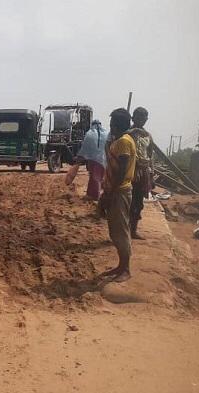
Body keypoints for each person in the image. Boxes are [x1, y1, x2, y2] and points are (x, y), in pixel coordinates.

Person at [99, 108, 136, 283]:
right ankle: (121, 266)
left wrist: (110, 192)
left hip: (119, 191)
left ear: (119, 124)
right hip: (115, 189)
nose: (110, 126)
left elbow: (121, 171)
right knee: (116, 230)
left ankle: (126, 269)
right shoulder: (121, 141)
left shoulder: (123, 142)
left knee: (121, 230)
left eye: (113, 123)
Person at [128, 107, 153, 239]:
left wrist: (151, 174)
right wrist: (133, 131)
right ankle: (125, 230)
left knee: (138, 202)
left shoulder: (147, 135)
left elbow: (150, 154)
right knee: (128, 201)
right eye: (138, 117)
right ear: (133, 118)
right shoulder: (128, 133)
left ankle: (133, 230)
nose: (141, 120)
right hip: (131, 171)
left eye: (144, 118)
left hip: (143, 172)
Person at [75, 119, 108, 200]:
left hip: (94, 160)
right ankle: (91, 194)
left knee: (95, 178)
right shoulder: (107, 133)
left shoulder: (89, 134)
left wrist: (79, 158)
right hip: (104, 159)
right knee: (99, 177)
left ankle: (95, 195)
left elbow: (84, 148)